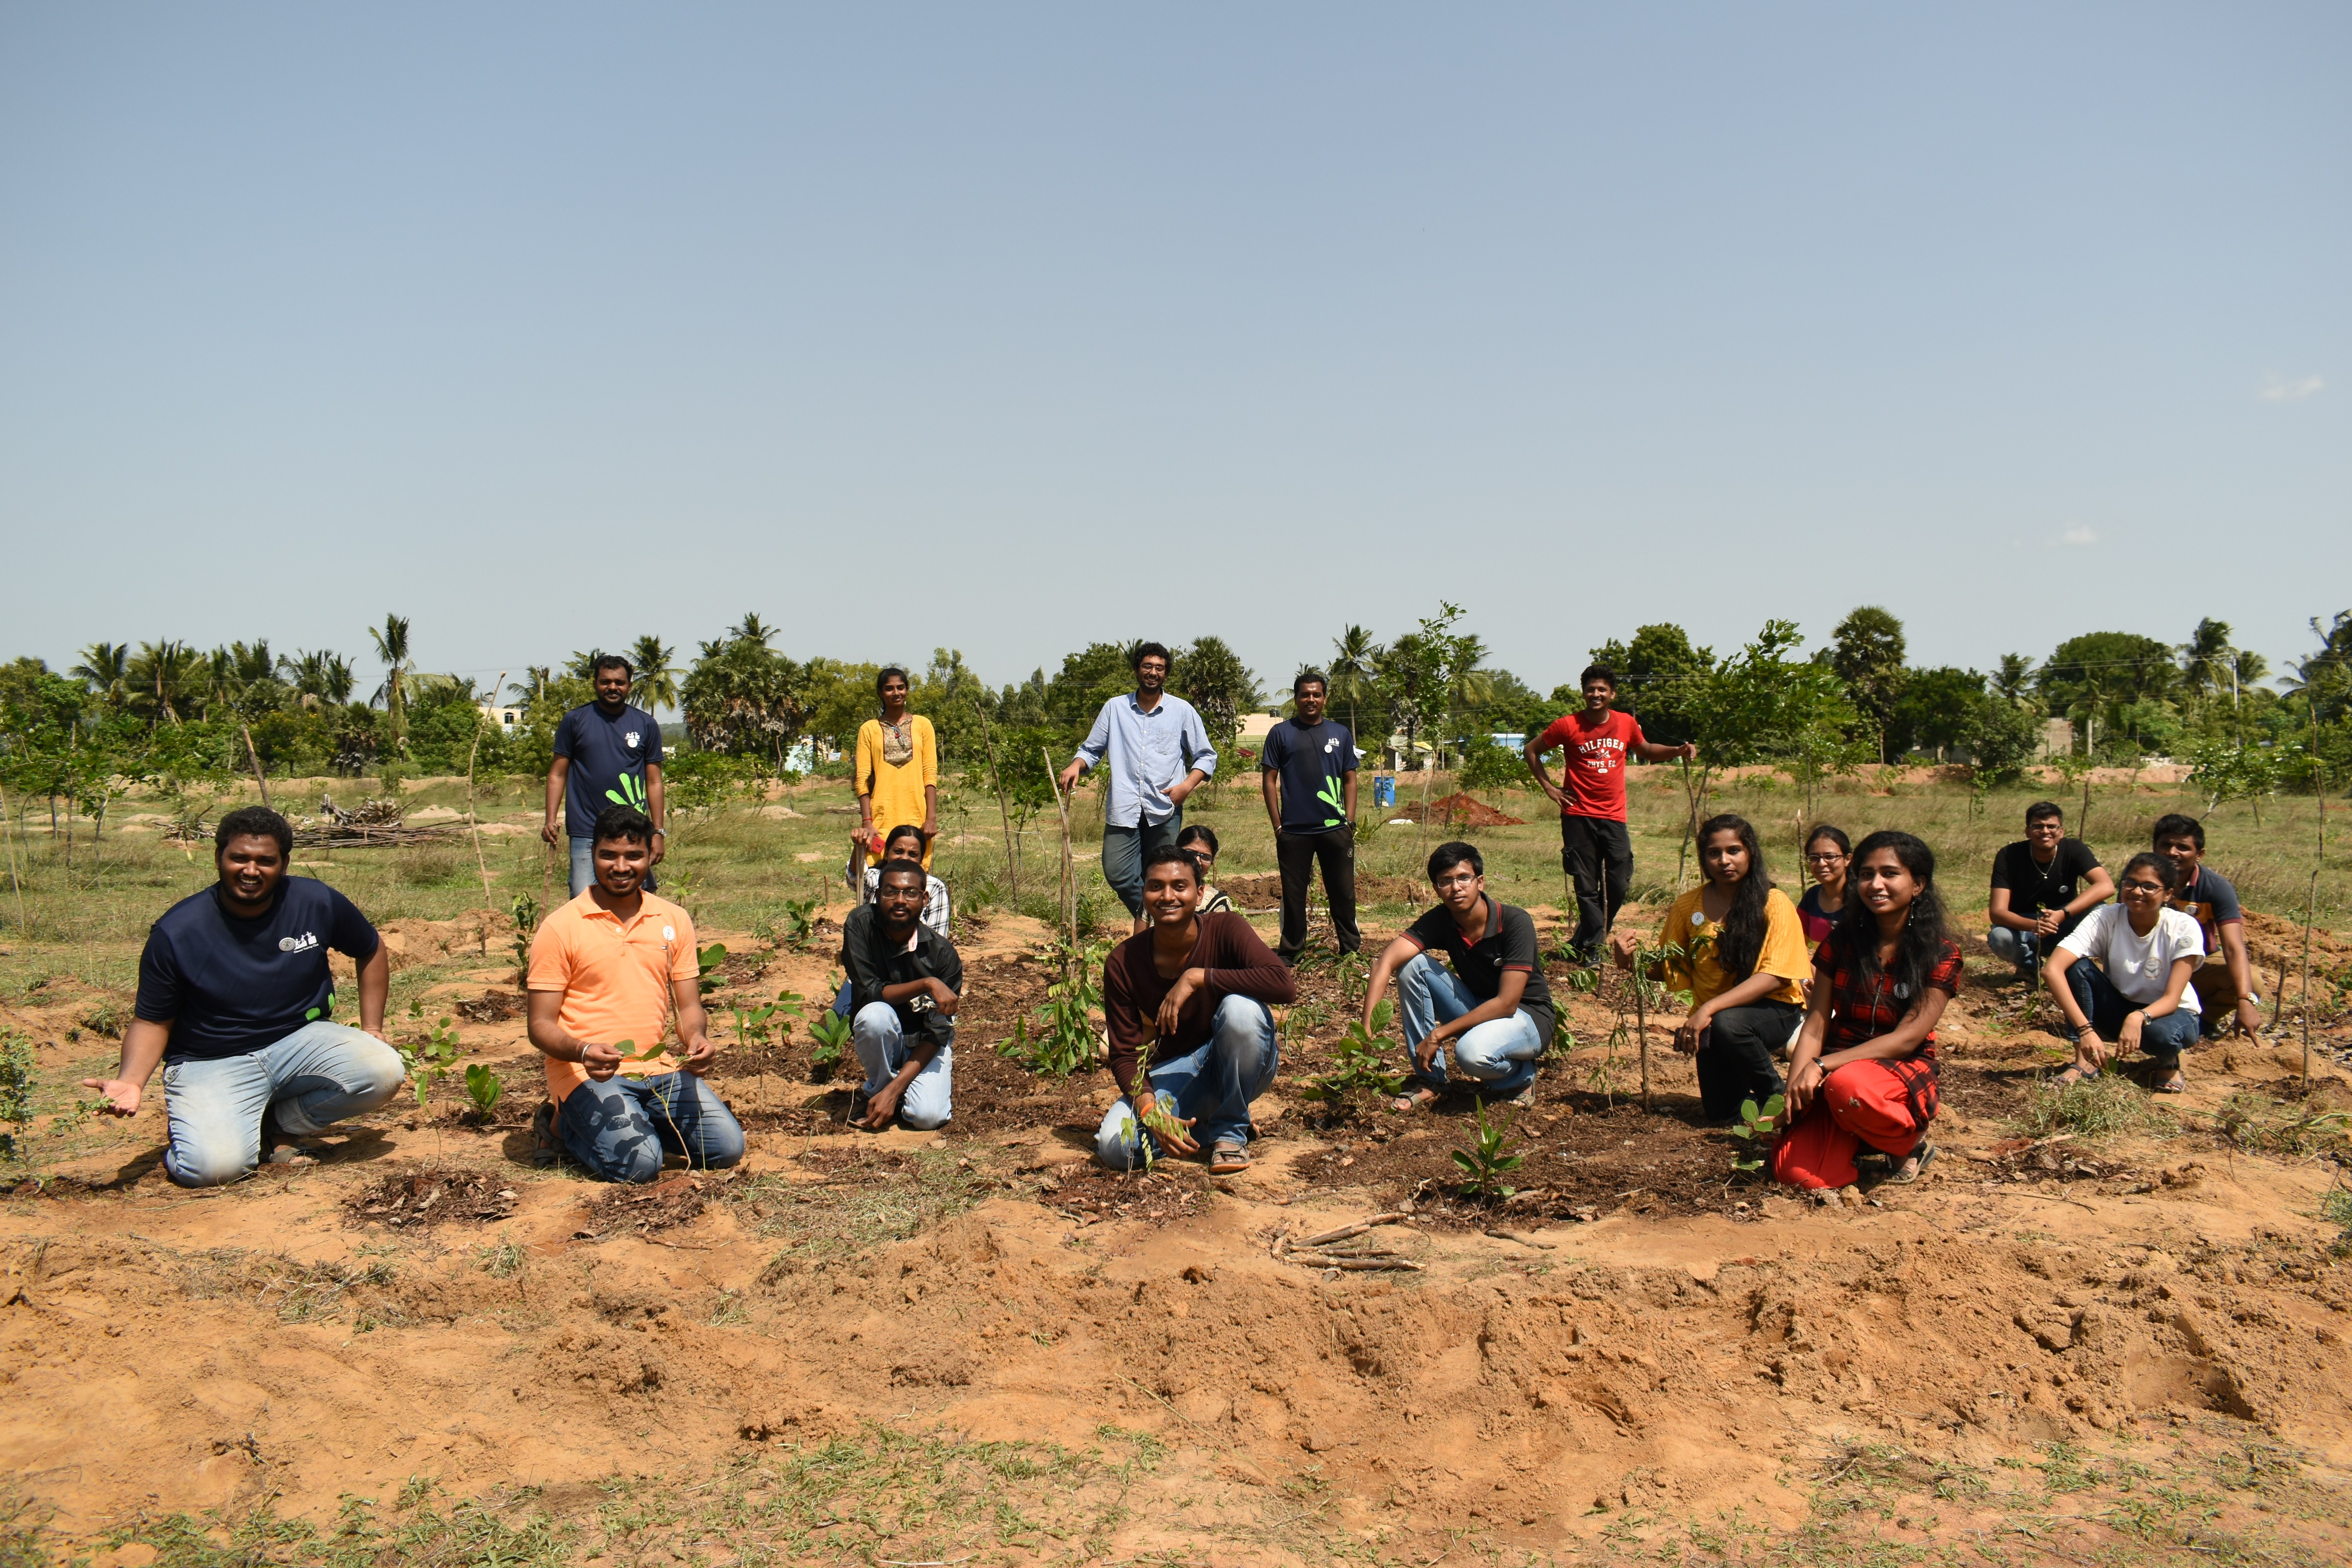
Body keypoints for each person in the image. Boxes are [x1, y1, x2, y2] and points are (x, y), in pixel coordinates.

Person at [82, 806, 404, 1187]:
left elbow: (370, 947)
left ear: (284, 864)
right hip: (211, 1059)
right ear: (219, 858)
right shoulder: (178, 932)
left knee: (383, 1070)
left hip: (299, 1040)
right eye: (239, 858)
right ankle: (205, 1128)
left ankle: (279, 1123)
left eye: (266, 861)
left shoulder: (315, 901)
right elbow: (153, 1020)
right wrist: (132, 1080)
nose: (251, 871)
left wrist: (372, 1027)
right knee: (214, 1169)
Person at [525, 804, 744, 1182]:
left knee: (726, 1149)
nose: (621, 867)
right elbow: (539, 1025)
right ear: (592, 853)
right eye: (608, 855)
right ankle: (563, 1124)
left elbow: (689, 1006)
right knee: (641, 1166)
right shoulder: (560, 927)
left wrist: (696, 1038)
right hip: (587, 1073)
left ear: (651, 855)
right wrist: (583, 1051)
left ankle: (629, 1121)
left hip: (658, 1069)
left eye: (633, 856)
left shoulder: (673, 919)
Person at [1772, 830, 1961, 1191]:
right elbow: (1815, 1026)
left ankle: (1908, 1142)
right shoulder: (1840, 943)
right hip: (1838, 1071)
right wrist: (1793, 1097)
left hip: (1897, 1068)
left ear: (1918, 885)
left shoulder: (1941, 954)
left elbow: (1908, 1039)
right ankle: (1859, 1137)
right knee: (1797, 1175)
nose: (1876, 884)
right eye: (1866, 874)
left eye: (1890, 874)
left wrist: (1822, 1066)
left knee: (1848, 1086)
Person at [1096, 845, 1294, 1174]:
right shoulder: (1123, 963)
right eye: (1156, 886)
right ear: (1144, 894)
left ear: (1200, 893)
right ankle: (1207, 1128)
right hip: (1181, 1069)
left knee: (1240, 1009)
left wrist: (1199, 978)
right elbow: (1125, 1054)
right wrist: (1148, 1110)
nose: (1167, 896)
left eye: (1179, 886)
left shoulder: (1227, 929)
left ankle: (1230, 1134)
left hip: (1244, 1062)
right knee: (1117, 1148)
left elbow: (1283, 984)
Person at [1613, 814, 1810, 1123]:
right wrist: (1630, 961)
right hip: (1715, 1021)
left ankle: (1779, 1099)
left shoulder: (1774, 903)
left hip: (1774, 1009)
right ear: (1704, 859)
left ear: (1750, 853)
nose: (1724, 860)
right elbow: (1670, 966)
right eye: (1714, 853)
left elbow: (1775, 977)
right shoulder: (1688, 905)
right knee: (1723, 1113)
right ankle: (1758, 1109)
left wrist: (1707, 1010)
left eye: (1734, 851)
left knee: (1729, 1024)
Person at [1365, 841, 1556, 1112]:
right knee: (1411, 965)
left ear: (1480, 882)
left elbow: (1507, 1003)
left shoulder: (1515, 922)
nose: (1456, 888)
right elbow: (1384, 963)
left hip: (1527, 1017)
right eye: (1445, 881)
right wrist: (1366, 1037)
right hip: (1479, 1009)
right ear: (1436, 889)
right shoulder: (1442, 919)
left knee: (1470, 1054)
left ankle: (1521, 1078)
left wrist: (1439, 1034)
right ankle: (1431, 1079)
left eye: (1464, 878)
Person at [1524, 664, 1696, 964]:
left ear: (1612, 694)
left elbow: (1647, 750)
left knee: (1619, 881)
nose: (1596, 694)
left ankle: (1585, 937)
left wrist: (1678, 751)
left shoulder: (1626, 723)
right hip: (1578, 815)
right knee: (1586, 884)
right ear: (1583, 693)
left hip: (1614, 817)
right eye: (1591, 689)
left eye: (1602, 689)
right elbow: (1531, 750)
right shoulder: (1567, 725)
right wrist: (1550, 788)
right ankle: (1594, 948)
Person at [1058, 643, 1217, 932]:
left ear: (1166, 674)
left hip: (1165, 808)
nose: (1153, 673)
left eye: (1159, 668)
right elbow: (1091, 749)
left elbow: (1206, 756)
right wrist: (1075, 765)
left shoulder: (1182, 711)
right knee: (1117, 871)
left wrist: (1187, 787)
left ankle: (1155, 931)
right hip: (1124, 806)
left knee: (1163, 873)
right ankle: (1159, 917)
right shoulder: (1115, 708)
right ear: (1136, 670)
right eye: (1148, 666)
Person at [2044, 852, 2203, 1093]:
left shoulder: (2183, 927)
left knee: (2160, 1037)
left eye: (2149, 886)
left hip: (2172, 1013)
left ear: (2168, 894)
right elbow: (2052, 970)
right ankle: (2085, 1060)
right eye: (2130, 883)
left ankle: (2169, 1064)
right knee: (2076, 968)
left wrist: (2138, 1017)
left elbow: (2172, 999)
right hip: (2120, 1007)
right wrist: (2085, 1031)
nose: (2137, 892)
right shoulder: (2106, 917)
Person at [842, 859, 964, 1131]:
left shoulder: (943, 956)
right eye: (891, 892)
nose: (900, 901)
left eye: (910, 893)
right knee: (874, 1016)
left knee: (927, 1117)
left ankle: (892, 1092)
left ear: (924, 899)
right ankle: (880, 1091)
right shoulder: (860, 925)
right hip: (884, 1035)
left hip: (923, 1046)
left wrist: (897, 1088)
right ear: (878, 895)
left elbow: (937, 1033)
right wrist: (927, 983)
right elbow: (870, 993)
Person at [544, 653, 664, 898]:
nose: (613, 687)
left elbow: (654, 781)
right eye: (606, 681)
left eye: (619, 682)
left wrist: (658, 832)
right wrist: (550, 819)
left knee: (634, 896)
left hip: (632, 827)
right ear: (595, 684)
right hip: (585, 828)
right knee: (582, 896)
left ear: (630, 686)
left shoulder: (645, 724)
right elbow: (558, 773)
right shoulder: (575, 720)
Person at [1260, 670, 1360, 962]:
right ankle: (1291, 954)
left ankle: (1351, 952)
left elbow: (1351, 778)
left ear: (1325, 698)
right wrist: (1278, 826)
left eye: (1317, 694)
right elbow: (1269, 780)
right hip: (1294, 831)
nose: (1311, 699)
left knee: (1343, 894)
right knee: (1294, 897)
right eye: (1305, 695)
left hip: (1335, 829)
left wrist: (1349, 822)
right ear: (1297, 698)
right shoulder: (1281, 733)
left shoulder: (1340, 733)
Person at [2152, 813, 2264, 1039]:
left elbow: (2233, 947)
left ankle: (2203, 1020)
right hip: (2148, 966)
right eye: (2166, 845)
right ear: (2154, 848)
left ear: (2199, 854)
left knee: (2252, 981)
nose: (2172, 852)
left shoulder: (2216, 888)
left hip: (2197, 966)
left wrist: (2245, 1000)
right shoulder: (2139, 880)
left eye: (2183, 847)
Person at [1986, 802, 2112, 980]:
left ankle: (2071, 965)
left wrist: (2063, 913)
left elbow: (2106, 886)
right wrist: (2035, 925)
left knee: (2099, 910)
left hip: (2064, 923)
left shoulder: (2073, 849)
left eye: (2052, 826)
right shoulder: (2009, 855)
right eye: (2038, 826)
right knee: (2000, 937)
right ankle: (2029, 968)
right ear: (2028, 832)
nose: (2045, 831)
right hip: (2024, 928)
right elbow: (1997, 913)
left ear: (2062, 831)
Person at [855, 667, 939, 874]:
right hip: (881, 817)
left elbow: (930, 773)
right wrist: (867, 822)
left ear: (907, 690)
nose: (896, 693)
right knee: (880, 873)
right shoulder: (869, 729)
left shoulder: (923, 725)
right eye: (889, 689)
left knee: (916, 875)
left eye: (901, 688)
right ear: (881, 693)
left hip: (917, 815)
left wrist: (931, 817)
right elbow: (863, 778)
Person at [858, 824, 952, 935]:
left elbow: (937, 938)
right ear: (887, 854)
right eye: (899, 852)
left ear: (921, 859)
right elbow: (855, 878)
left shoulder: (934, 886)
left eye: (913, 854)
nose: (904, 858)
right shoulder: (875, 878)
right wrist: (858, 845)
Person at [1797, 825, 1852, 947]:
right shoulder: (1812, 897)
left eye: (1830, 857)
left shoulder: (1862, 898)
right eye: (1814, 858)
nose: (1821, 864)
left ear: (1848, 859)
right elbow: (1797, 943)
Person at [1176, 824, 1236, 915]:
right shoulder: (1158, 891)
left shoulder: (1218, 904)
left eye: (1205, 857)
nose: (1198, 861)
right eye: (1191, 853)